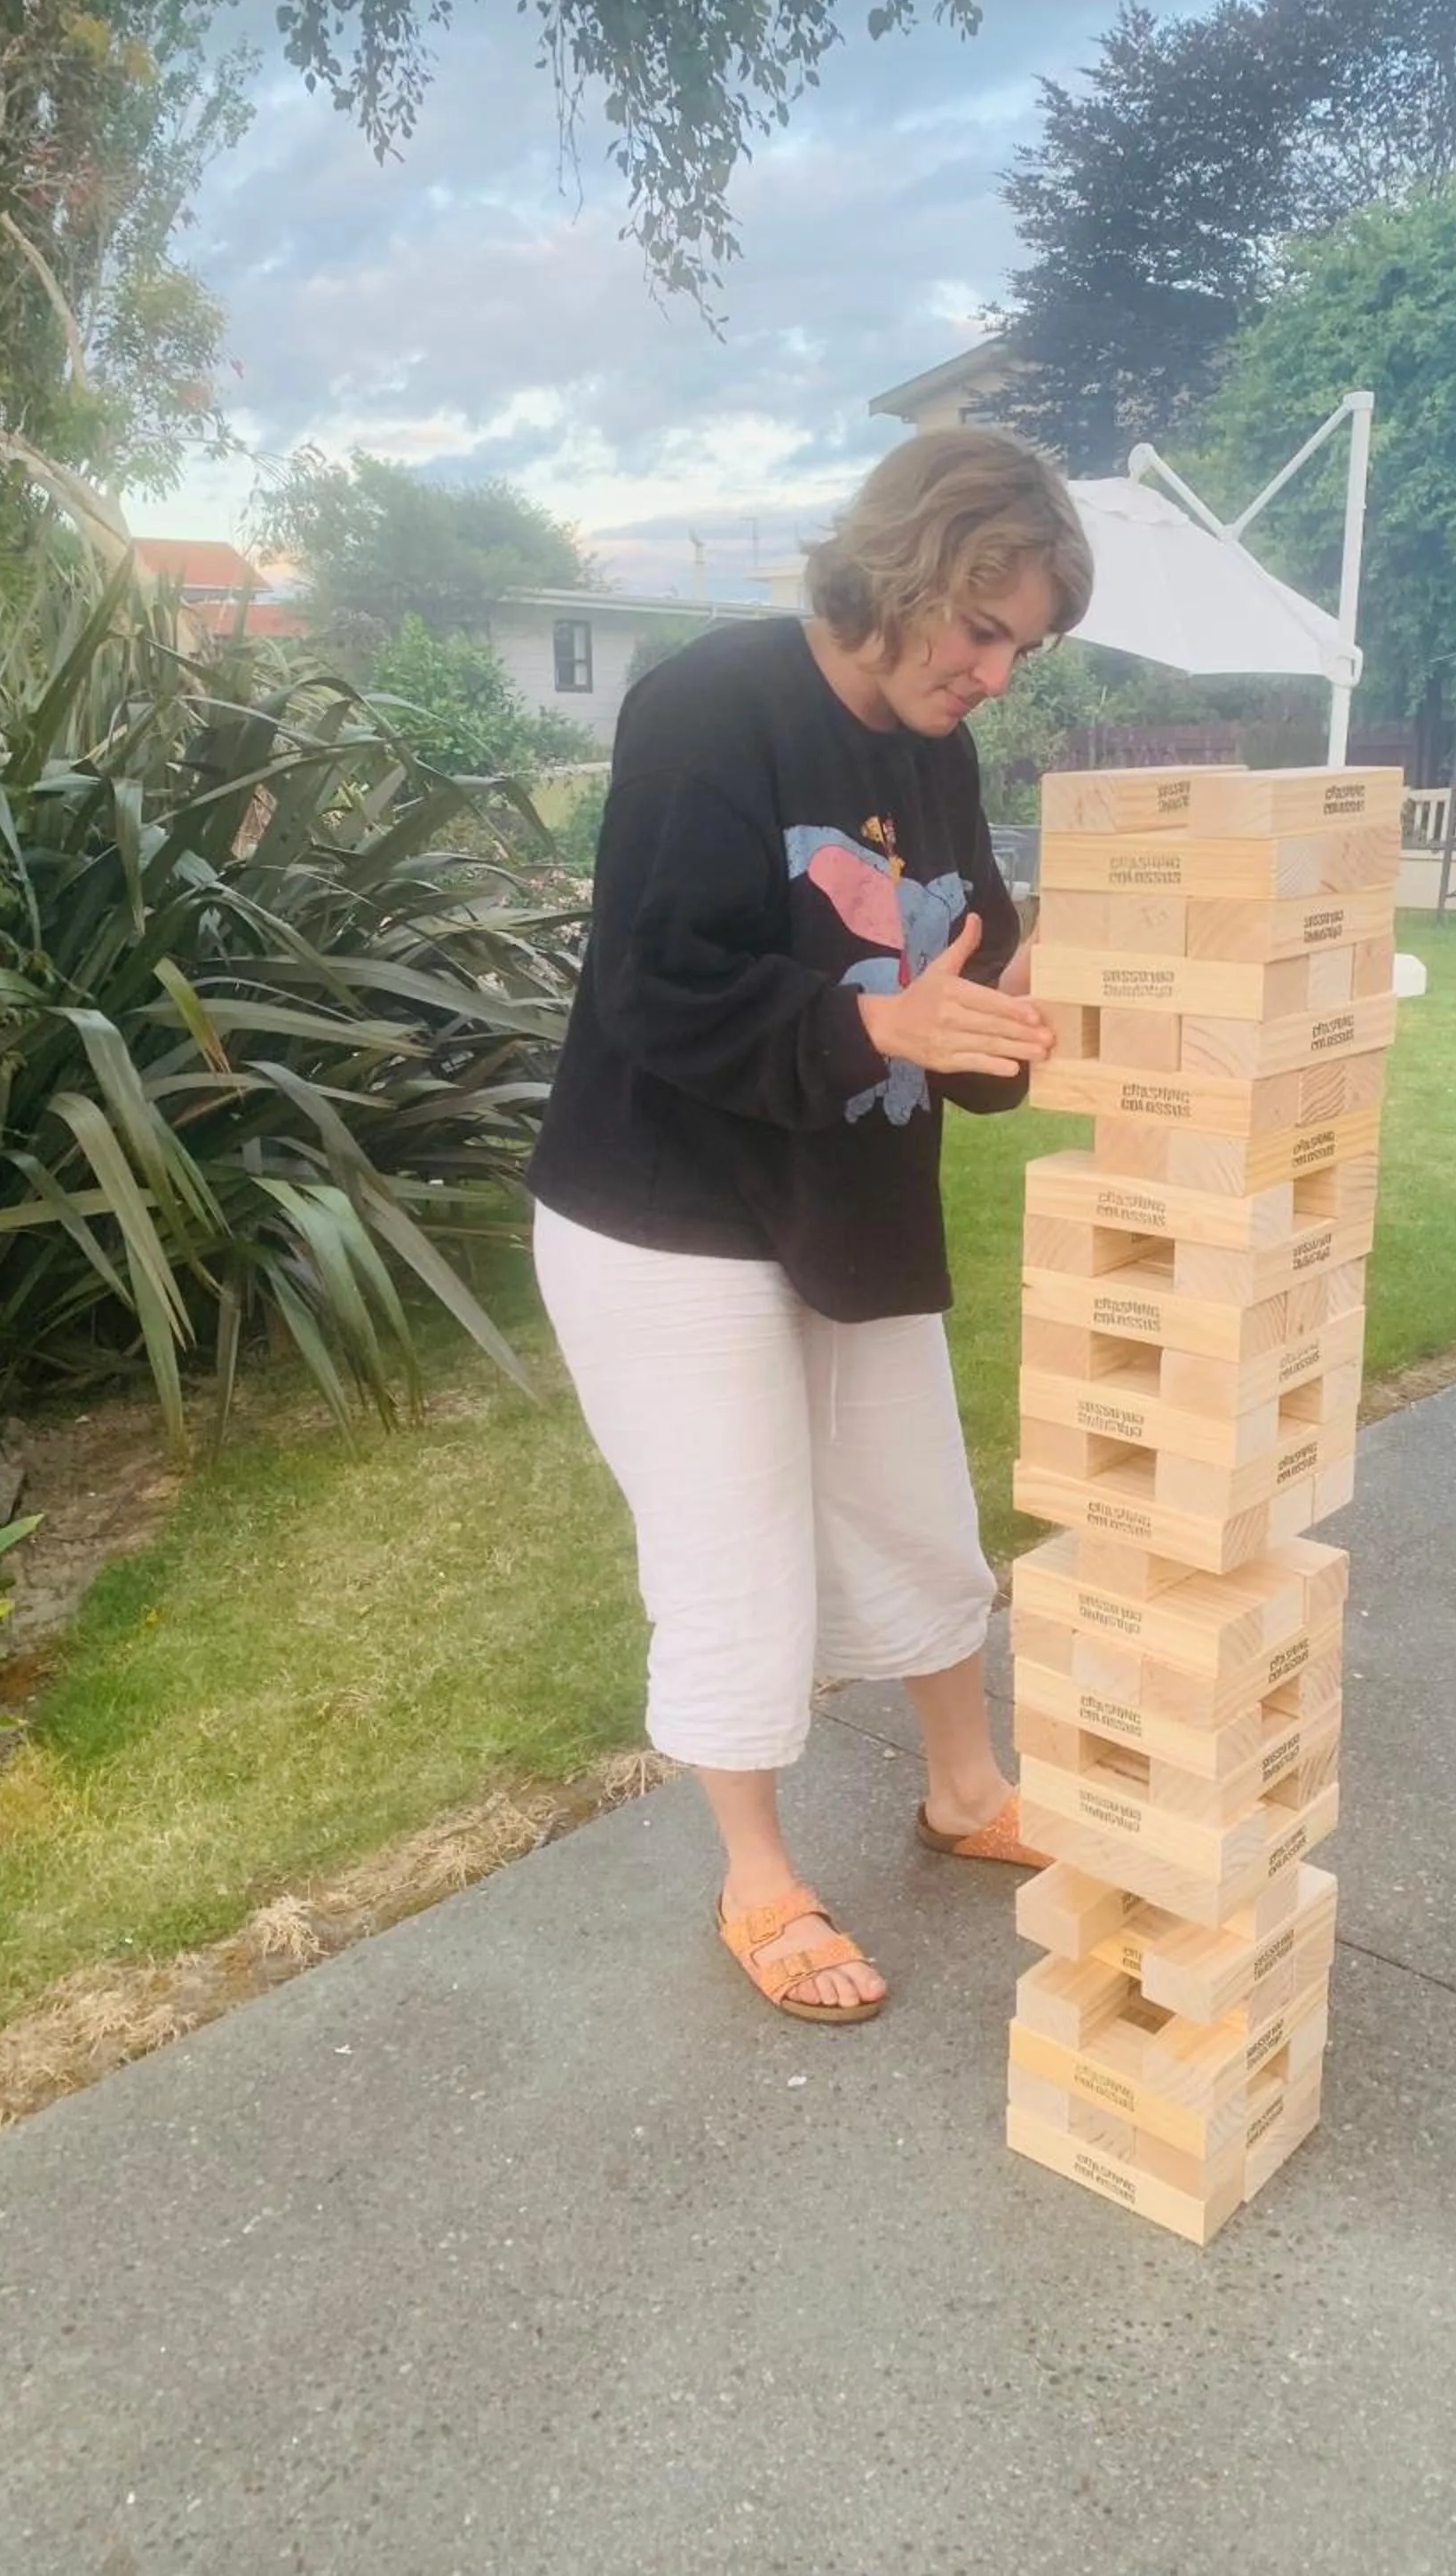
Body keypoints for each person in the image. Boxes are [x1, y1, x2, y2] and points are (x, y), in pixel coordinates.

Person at [527, 426, 1093, 2025]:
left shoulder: (938, 749)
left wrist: (1009, 1010)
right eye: (982, 628)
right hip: (666, 1218)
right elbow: (651, 988)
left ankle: (965, 1789)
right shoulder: (711, 705)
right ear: (905, 568)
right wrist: (886, 1034)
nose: (996, 672)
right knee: (735, 1546)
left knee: (914, 1504)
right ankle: (756, 1874)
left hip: (840, 1193)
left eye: (1023, 646)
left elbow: (952, 979)